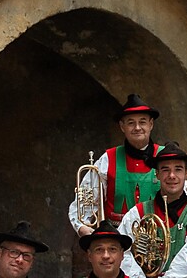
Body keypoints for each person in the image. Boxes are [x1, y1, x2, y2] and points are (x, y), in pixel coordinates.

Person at [119, 142, 187, 278]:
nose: (172, 176)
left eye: (178, 169)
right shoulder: (138, 213)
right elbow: (123, 252)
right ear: (156, 174)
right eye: (165, 170)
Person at [69, 93, 162, 235]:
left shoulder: (165, 157)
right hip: (117, 243)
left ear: (151, 124)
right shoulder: (108, 159)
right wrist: (82, 227)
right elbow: (84, 202)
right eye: (131, 123)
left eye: (142, 122)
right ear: (122, 126)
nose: (137, 128)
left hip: (158, 241)